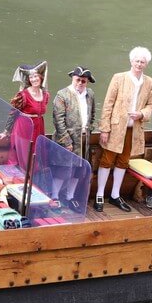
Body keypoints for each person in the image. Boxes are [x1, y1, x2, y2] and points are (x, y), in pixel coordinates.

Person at [94, 47, 152, 212]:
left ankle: (115, 195)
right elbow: (108, 103)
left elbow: (151, 105)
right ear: (131, 61)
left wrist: (141, 114)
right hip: (115, 128)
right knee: (107, 159)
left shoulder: (150, 82)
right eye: (137, 61)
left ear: (146, 64)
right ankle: (100, 194)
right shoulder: (119, 78)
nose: (139, 64)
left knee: (123, 161)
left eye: (142, 62)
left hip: (133, 129)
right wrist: (104, 129)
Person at [51, 66, 97, 209]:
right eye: (78, 80)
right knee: (62, 170)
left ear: (87, 82)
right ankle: (54, 196)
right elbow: (58, 120)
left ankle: (69, 197)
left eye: (83, 81)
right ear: (73, 78)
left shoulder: (90, 94)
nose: (80, 83)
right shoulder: (62, 94)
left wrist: (89, 130)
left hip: (84, 140)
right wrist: (66, 141)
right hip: (66, 140)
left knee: (79, 171)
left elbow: (92, 115)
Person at [0, 62, 49, 168]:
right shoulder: (23, 95)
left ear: (41, 77)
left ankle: (33, 175)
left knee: (37, 152)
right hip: (24, 127)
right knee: (25, 152)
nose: (34, 79)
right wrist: (6, 131)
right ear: (28, 80)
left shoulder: (45, 94)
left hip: (39, 127)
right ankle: (22, 175)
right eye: (31, 77)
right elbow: (13, 113)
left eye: (36, 76)